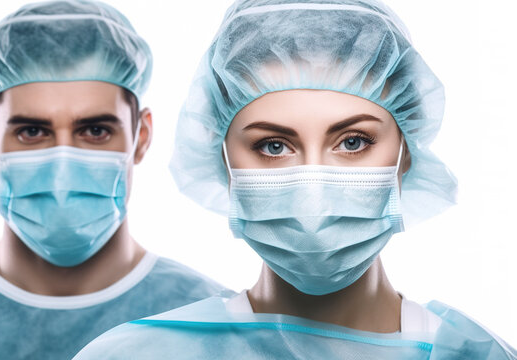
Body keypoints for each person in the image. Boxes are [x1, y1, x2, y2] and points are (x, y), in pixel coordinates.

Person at [73, 0, 516, 358]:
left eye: (354, 141)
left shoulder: (472, 354)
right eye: (273, 146)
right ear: (223, 162)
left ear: (405, 155)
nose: (313, 192)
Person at [0, 1, 224, 359]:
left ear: (142, 135)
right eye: (31, 131)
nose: (61, 166)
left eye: (96, 130)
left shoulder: (218, 330)